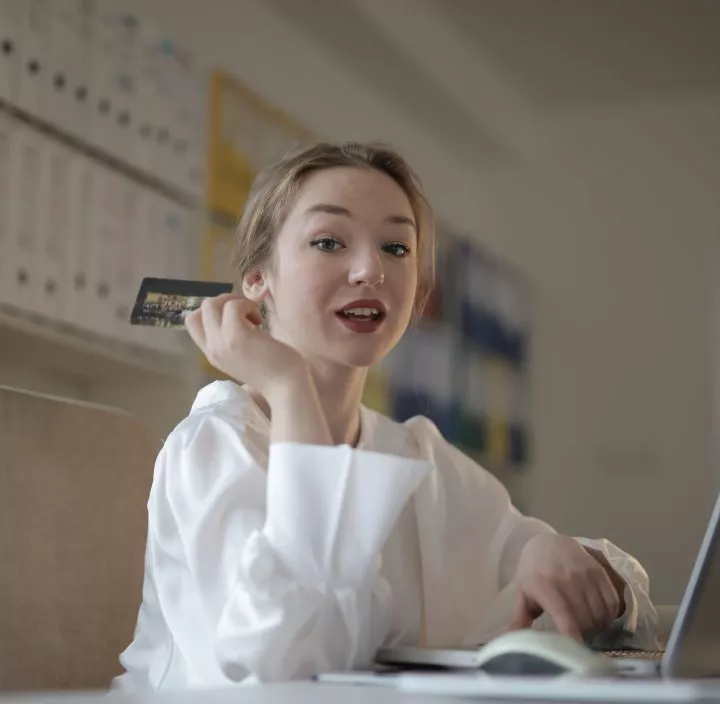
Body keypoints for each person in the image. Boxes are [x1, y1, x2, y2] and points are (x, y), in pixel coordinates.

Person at [114, 142, 659, 689]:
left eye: (396, 248)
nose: (370, 269)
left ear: (418, 292)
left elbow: (620, 590)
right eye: (328, 242)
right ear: (258, 280)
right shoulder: (214, 442)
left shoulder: (418, 454)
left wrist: (565, 554)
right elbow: (280, 667)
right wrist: (288, 386)